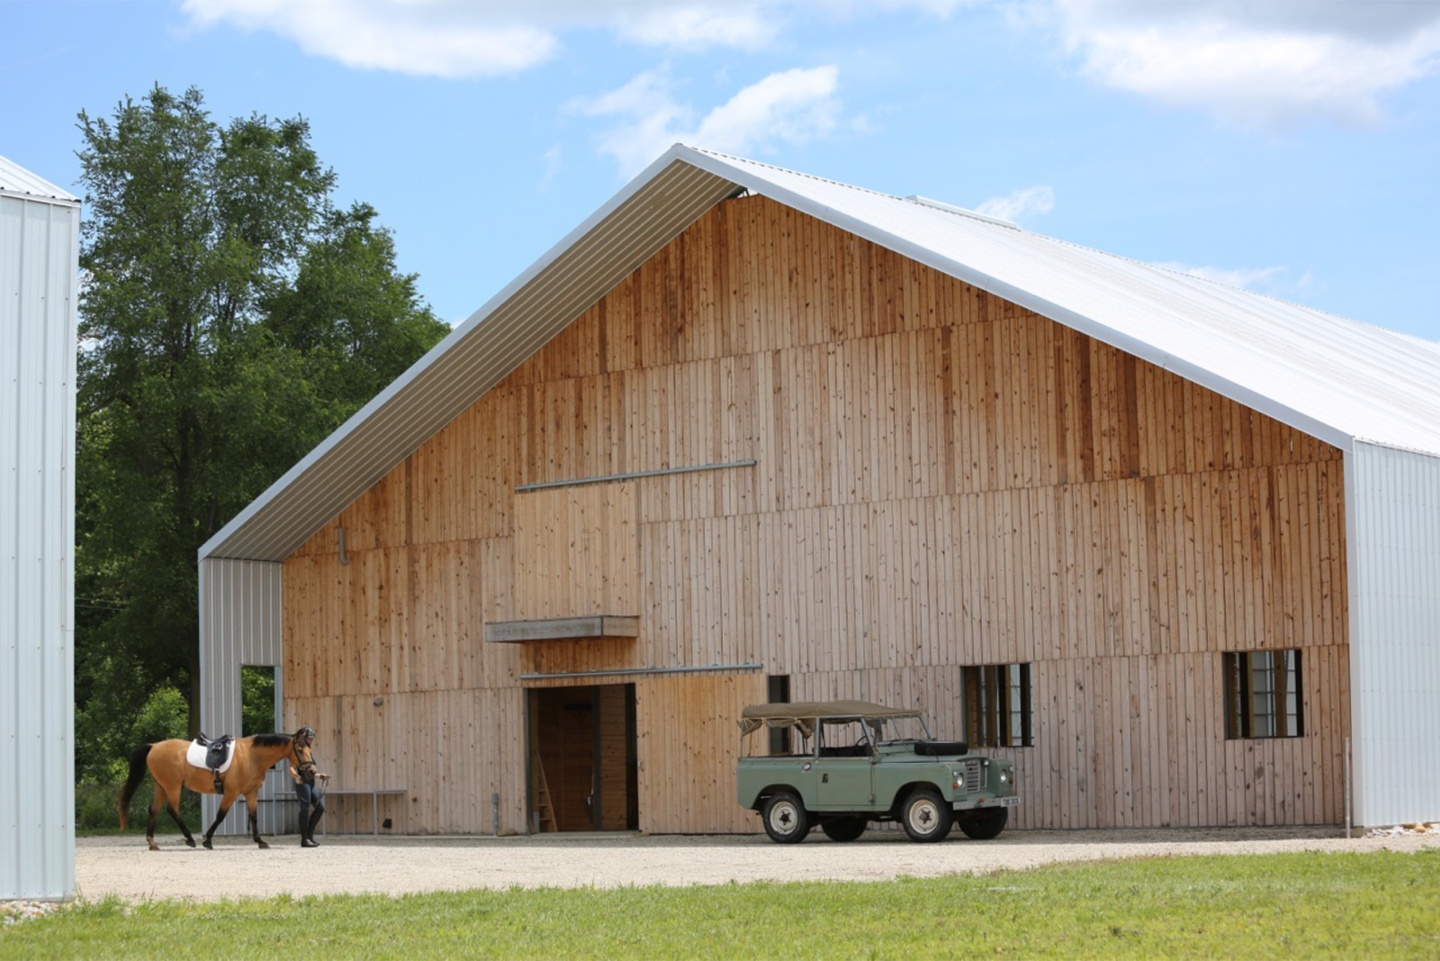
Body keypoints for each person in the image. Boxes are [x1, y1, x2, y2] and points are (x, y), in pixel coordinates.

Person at [288, 726, 330, 848]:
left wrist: (318, 775)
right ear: (304, 738)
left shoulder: (308, 750)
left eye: (312, 738)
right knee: (305, 809)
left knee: (320, 807)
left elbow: (309, 770)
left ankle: (309, 836)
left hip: (311, 782)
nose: (311, 740)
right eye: (309, 738)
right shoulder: (299, 749)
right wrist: (296, 776)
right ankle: (304, 839)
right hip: (302, 783)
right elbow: (291, 767)